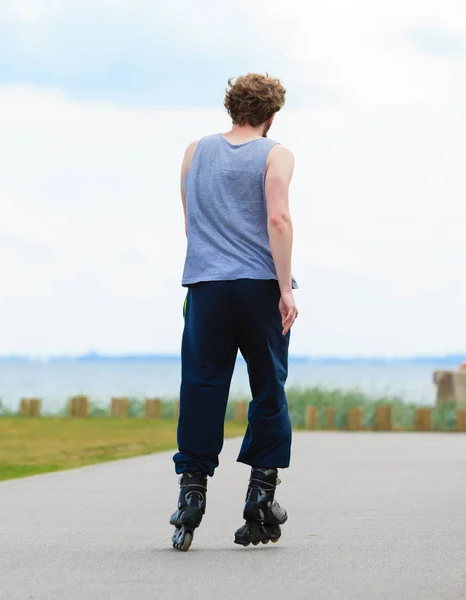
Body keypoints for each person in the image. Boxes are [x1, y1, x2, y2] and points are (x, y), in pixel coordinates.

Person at [169, 73, 298, 551]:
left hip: (206, 285)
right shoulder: (276, 154)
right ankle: (261, 497)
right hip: (259, 287)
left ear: (230, 107)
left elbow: (191, 220)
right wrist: (285, 289)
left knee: (202, 385)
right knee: (268, 386)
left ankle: (191, 495)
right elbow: (278, 218)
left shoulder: (194, 152)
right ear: (272, 114)